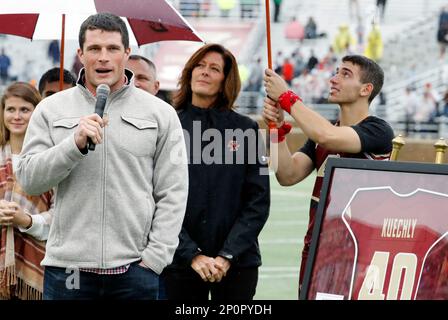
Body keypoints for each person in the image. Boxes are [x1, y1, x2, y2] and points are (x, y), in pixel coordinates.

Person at [16, 13, 188, 300]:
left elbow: (174, 191)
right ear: (81, 54)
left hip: (135, 270)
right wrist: (74, 145)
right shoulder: (50, 109)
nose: (103, 57)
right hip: (67, 270)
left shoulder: (160, 113)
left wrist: (155, 259)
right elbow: (30, 180)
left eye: (112, 48)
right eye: (94, 49)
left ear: (127, 53)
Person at [262, 55, 394, 296]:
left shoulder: (378, 130)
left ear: (366, 89)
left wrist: (286, 97)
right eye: (336, 72)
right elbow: (287, 174)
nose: (333, 79)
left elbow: (327, 136)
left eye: (345, 74)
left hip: (358, 252)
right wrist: (276, 131)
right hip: (316, 247)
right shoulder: (323, 134)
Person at [161, 43, 270, 301]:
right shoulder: (168, 125)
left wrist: (227, 255)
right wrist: (191, 254)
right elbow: (157, 198)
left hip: (237, 263)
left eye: (214, 68)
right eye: (199, 65)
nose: (204, 72)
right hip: (179, 262)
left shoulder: (247, 129)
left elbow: (258, 200)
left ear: (225, 81)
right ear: (189, 73)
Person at [0, 82, 54, 299]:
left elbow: (61, 213)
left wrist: (27, 221)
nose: (17, 116)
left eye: (25, 110)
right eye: (10, 109)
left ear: (36, 113)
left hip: (37, 261)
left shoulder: (49, 159)